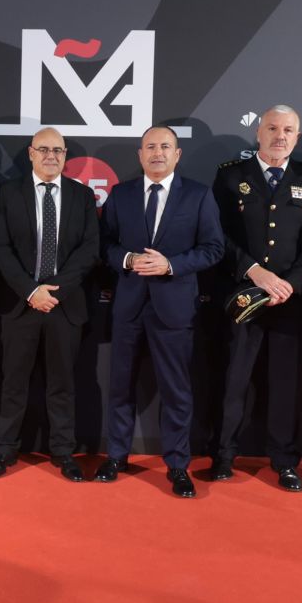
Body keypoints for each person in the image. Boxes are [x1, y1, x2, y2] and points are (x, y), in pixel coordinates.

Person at [98, 125, 225, 498]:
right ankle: (116, 456)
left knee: (176, 390)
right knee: (120, 386)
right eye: (150, 147)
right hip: (128, 306)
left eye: (165, 146)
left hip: (175, 308)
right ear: (140, 155)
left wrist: (171, 265)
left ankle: (177, 465)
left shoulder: (198, 195)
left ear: (177, 154)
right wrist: (127, 258)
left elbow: (214, 248)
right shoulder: (120, 194)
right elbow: (104, 244)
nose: (157, 153)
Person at [210, 105, 302, 489]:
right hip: (243, 296)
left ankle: (284, 460)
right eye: (273, 128)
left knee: (286, 383)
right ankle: (223, 455)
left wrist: (290, 282)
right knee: (234, 380)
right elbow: (216, 233)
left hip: (289, 301)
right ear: (258, 132)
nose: (280, 136)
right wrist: (253, 271)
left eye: (288, 130)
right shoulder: (230, 176)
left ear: (297, 136)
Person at [0, 127, 100, 482]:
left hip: (63, 306)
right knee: (13, 382)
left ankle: (63, 452)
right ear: (31, 154)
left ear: (65, 156)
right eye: (44, 149)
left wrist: (54, 292)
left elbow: (89, 250)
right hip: (20, 304)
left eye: (58, 151)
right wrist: (31, 291)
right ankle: (4, 450)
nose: (51, 156)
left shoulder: (82, 196)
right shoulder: (8, 193)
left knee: (62, 384)